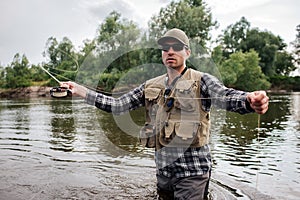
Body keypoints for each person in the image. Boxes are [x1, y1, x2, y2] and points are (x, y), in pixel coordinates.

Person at [61, 28, 269, 200]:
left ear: (187, 52)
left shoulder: (203, 80)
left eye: (176, 47)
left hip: (193, 173)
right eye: (165, 48)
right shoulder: (150, 85)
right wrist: (80, 90)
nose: (170, 51)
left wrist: (249, 101)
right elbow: (117, 105)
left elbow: (225, 97)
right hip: (164, 173)